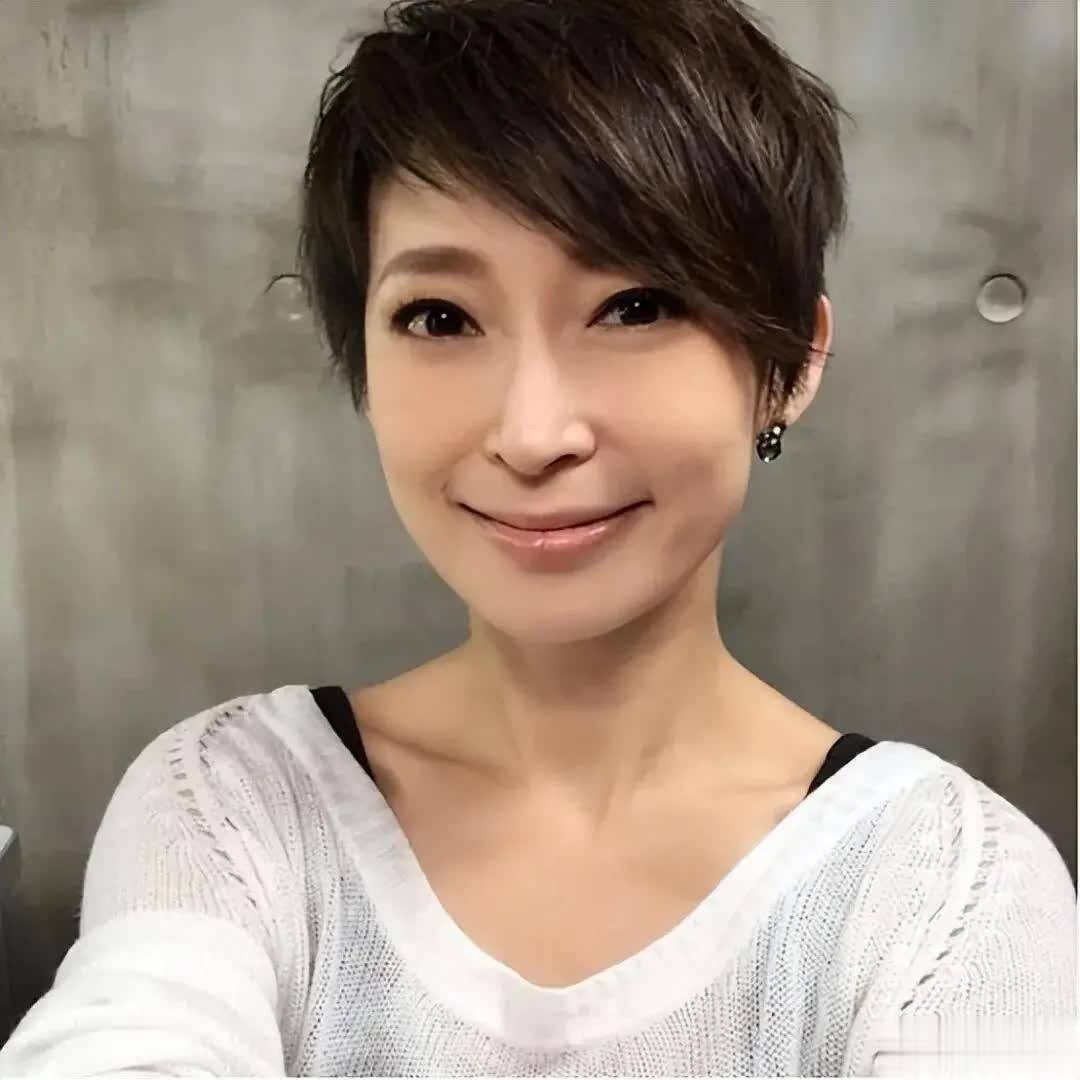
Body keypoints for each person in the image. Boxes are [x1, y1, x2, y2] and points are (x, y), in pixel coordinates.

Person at [1, 0, 1075, 1076]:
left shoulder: (946, 890)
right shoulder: (233, 810)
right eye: (440, 317)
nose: (532, 434)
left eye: (637, 306)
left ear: (790, 364)